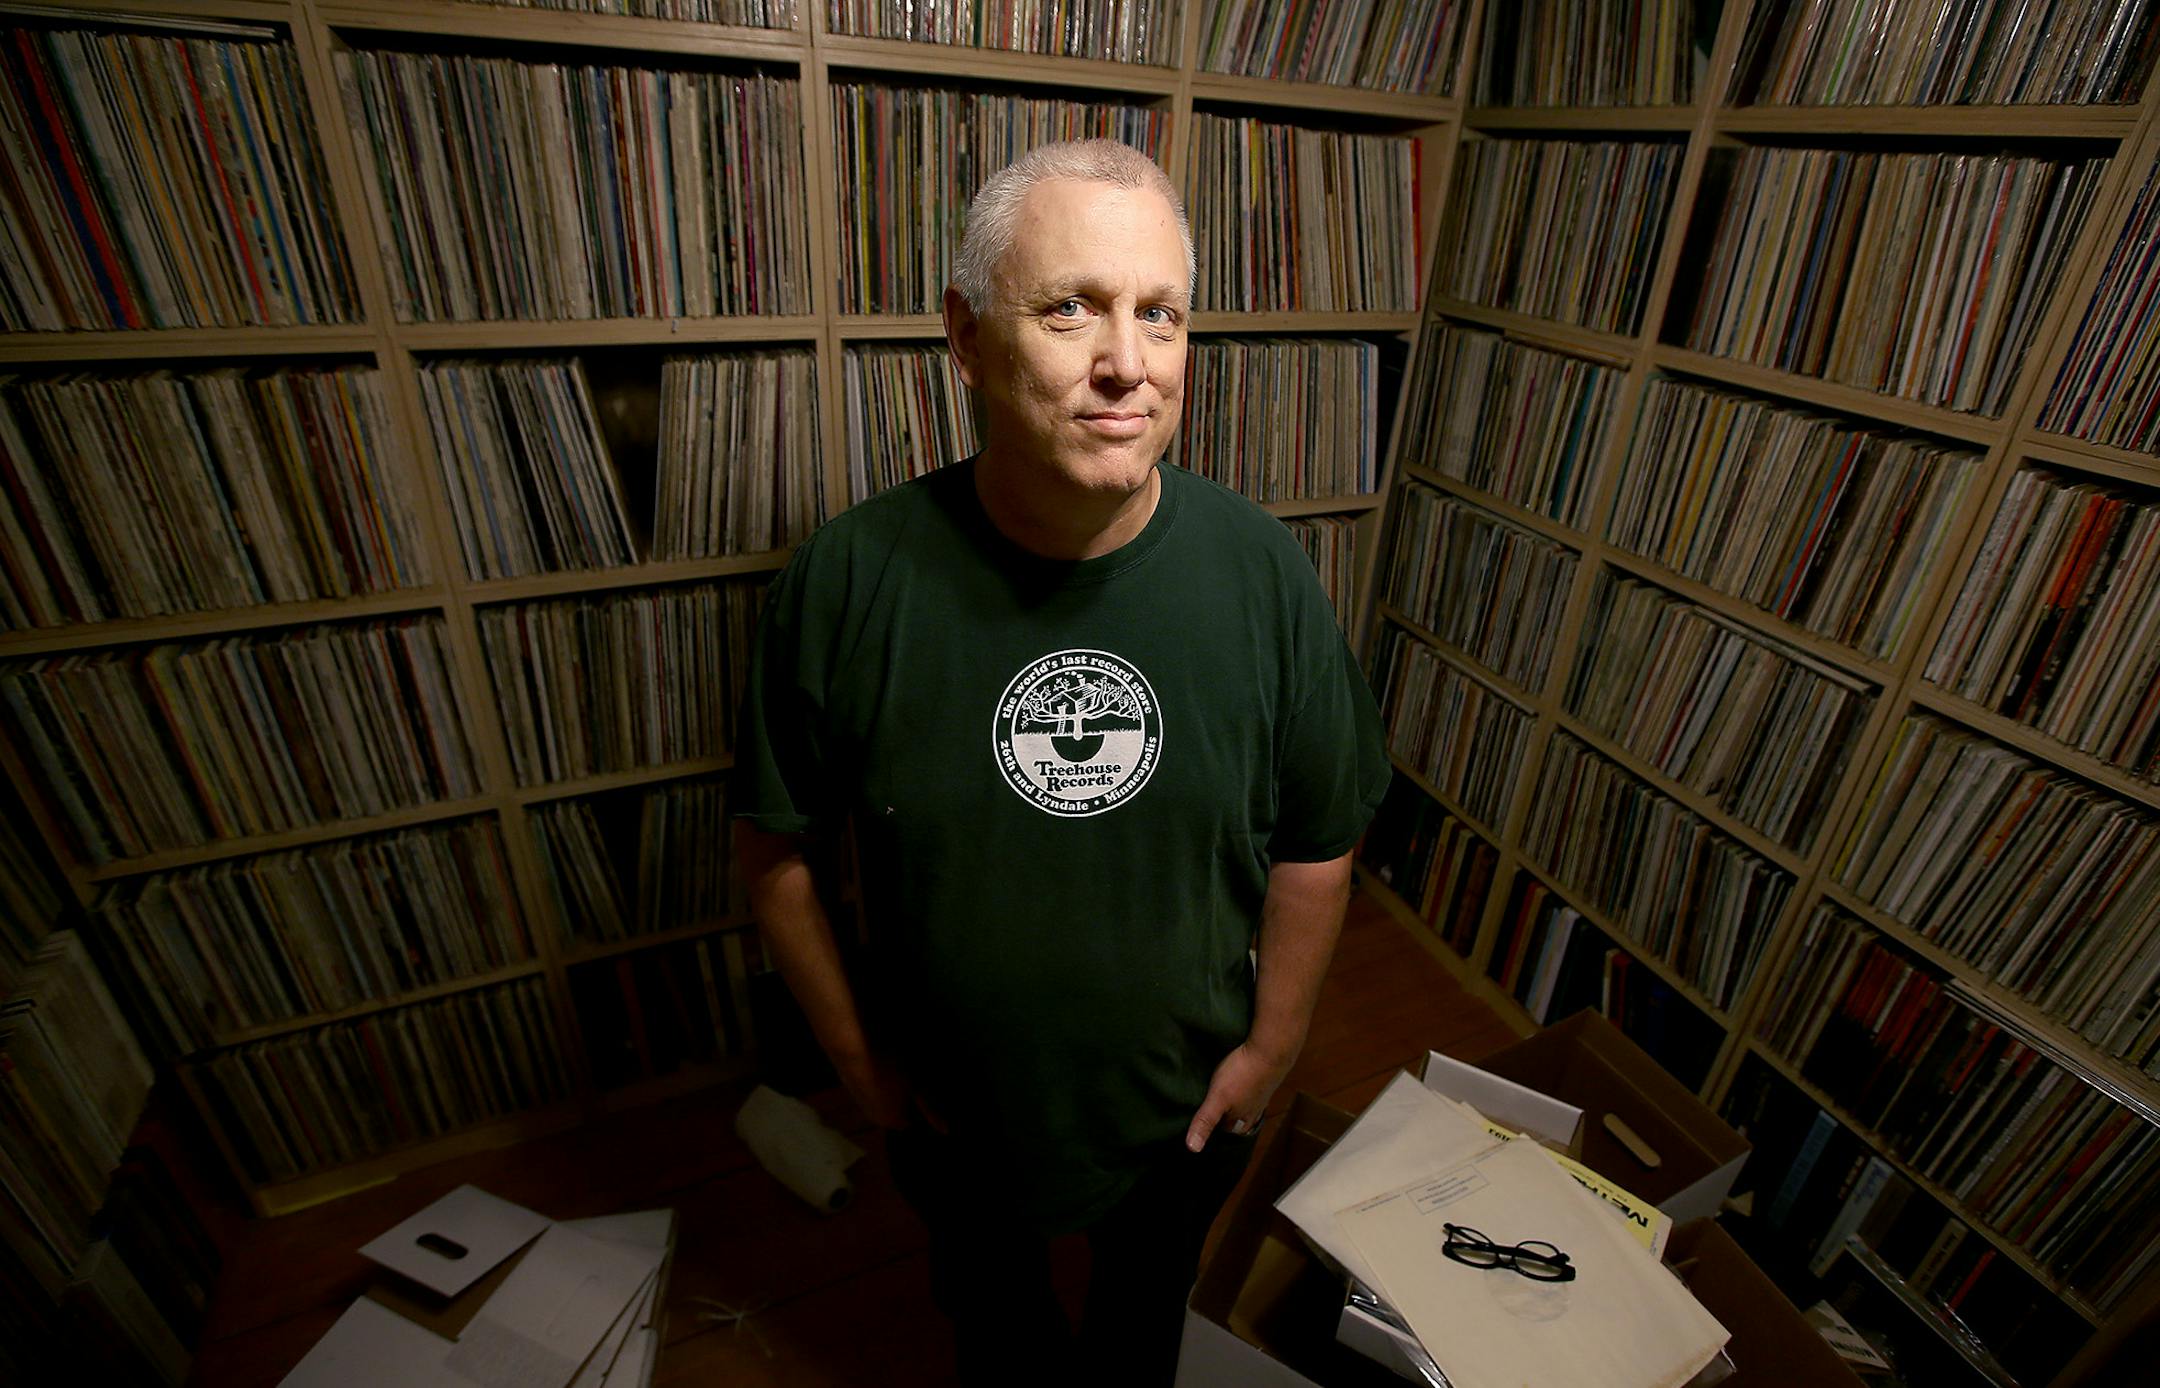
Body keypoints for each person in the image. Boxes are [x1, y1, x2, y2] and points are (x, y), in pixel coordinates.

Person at [733, 138, 1389, 1385]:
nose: (1127, 364)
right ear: (968, 338)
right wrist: (861, 1064)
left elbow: (1318, 836)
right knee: (997, 1326)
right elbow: (776, 845)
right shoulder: (849, 576)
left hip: (1186, 1110)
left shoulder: (1263, 574)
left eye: (1161, 314)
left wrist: (1274, 1045)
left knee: (1143, 1323)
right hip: (951, 1116)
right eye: (1070, 308)